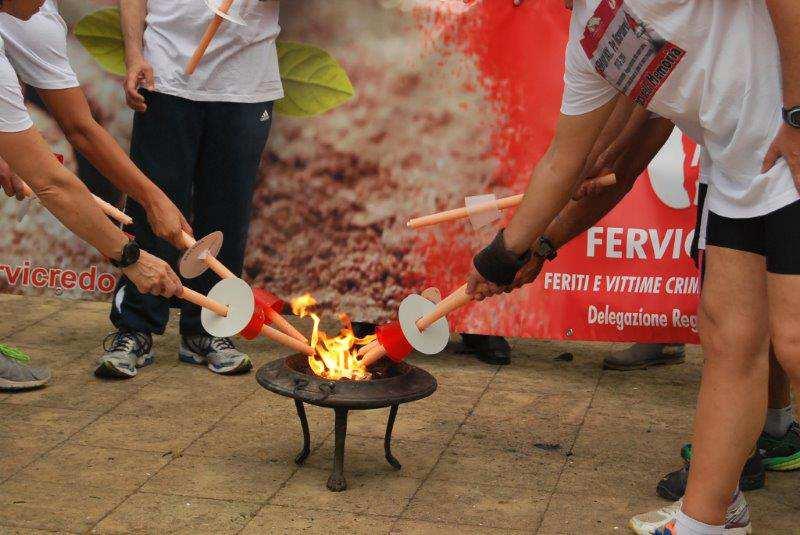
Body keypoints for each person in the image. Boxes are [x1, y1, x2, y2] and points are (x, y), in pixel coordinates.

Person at [469, 0, 800, 532]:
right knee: (731, 341)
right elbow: (570, 160)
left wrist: (797, 113)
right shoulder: (593, 37)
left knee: (794, 341)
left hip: (789, 145)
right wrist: (507, 256)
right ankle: (708, 520)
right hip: (739, 166)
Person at [103, 0, 284, 378]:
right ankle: (135, 328)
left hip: (244, 83)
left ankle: (208, 328)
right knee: (151, 207)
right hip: (164, 74)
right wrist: (134, 54)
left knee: (226, 215)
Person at [0, 0, 181, 349]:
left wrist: (152, 198)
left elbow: (81, 128)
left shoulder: (36, 16)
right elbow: (50, 182)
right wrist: (131, 258)